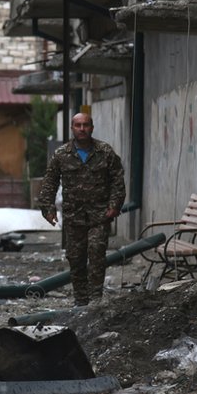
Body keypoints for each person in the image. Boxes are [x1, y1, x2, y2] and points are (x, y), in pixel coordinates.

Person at [36, 112, 125, 306]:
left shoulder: (105, 151)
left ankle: (95, 299)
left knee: (96, 253)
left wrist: (114, 205)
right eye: (78, 125)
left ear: (92, 128)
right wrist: (47, 208)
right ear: (72, 128)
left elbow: (117, 178)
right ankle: (80, 300)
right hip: (73, 216)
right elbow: (50, 181)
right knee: (76, 259)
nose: (82, 129)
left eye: (86, 125)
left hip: (99, 214)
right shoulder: (61, 154)